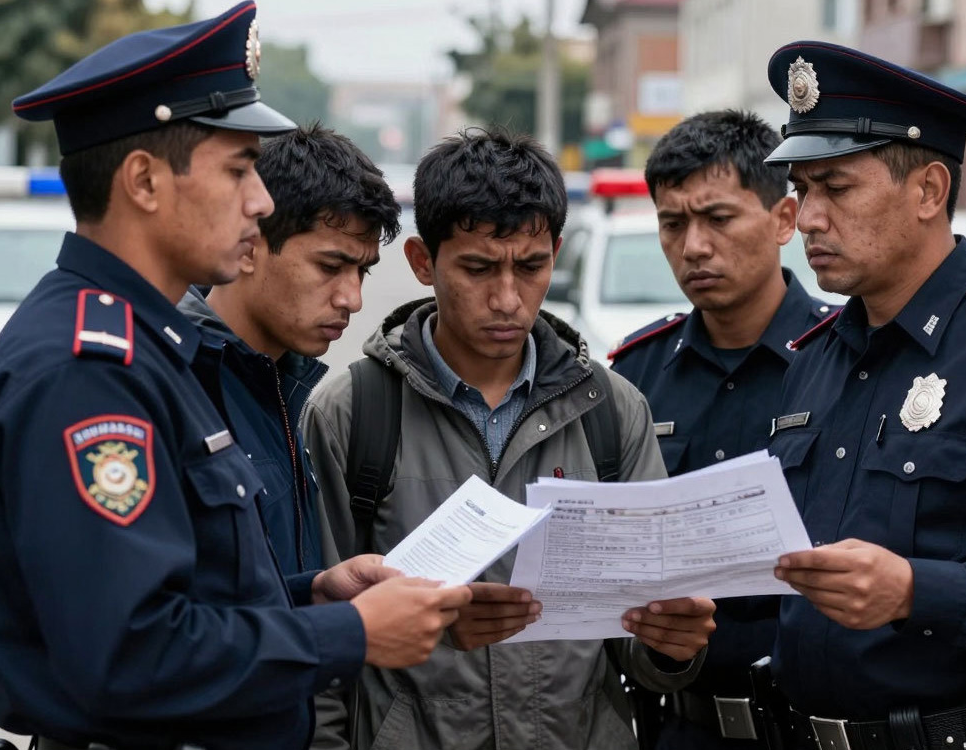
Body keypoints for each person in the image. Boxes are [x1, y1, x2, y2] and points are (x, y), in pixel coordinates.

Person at [0, 5, 470, 750]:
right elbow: (128, 655)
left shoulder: (152, 347)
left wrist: (310, 595)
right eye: (240, 169)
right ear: (144, 181)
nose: (261, 201)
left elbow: (181, 596)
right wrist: (344, 634)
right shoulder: (87, 369)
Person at [302, 127, 718, 750]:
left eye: (531, 267)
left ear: (556, 252)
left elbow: (639, 646)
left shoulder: (612, 412)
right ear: (422, 262)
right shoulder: (353, 414)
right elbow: (321, 642)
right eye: (477, 267)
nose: (506, 298)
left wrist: (671, 644)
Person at [760, 41, 966, 750]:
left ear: (929, 191)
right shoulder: (812, 358)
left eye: (835, 189)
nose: (806, 218)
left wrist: (915, 592)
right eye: (802, 189)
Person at [609, 109, 834, 750]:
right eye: (672, 223)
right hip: (679, 723)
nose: (694, 247)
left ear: (784, 220)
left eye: (718, 218)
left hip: (809, 727)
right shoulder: (633, 375)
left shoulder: (841, 361)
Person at [178, 124, 401, 577]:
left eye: (363, 272)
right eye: (330, 266)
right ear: (248, 246)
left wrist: (319, 593)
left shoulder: (283, 386)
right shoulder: (176, 380)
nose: (352, 299)